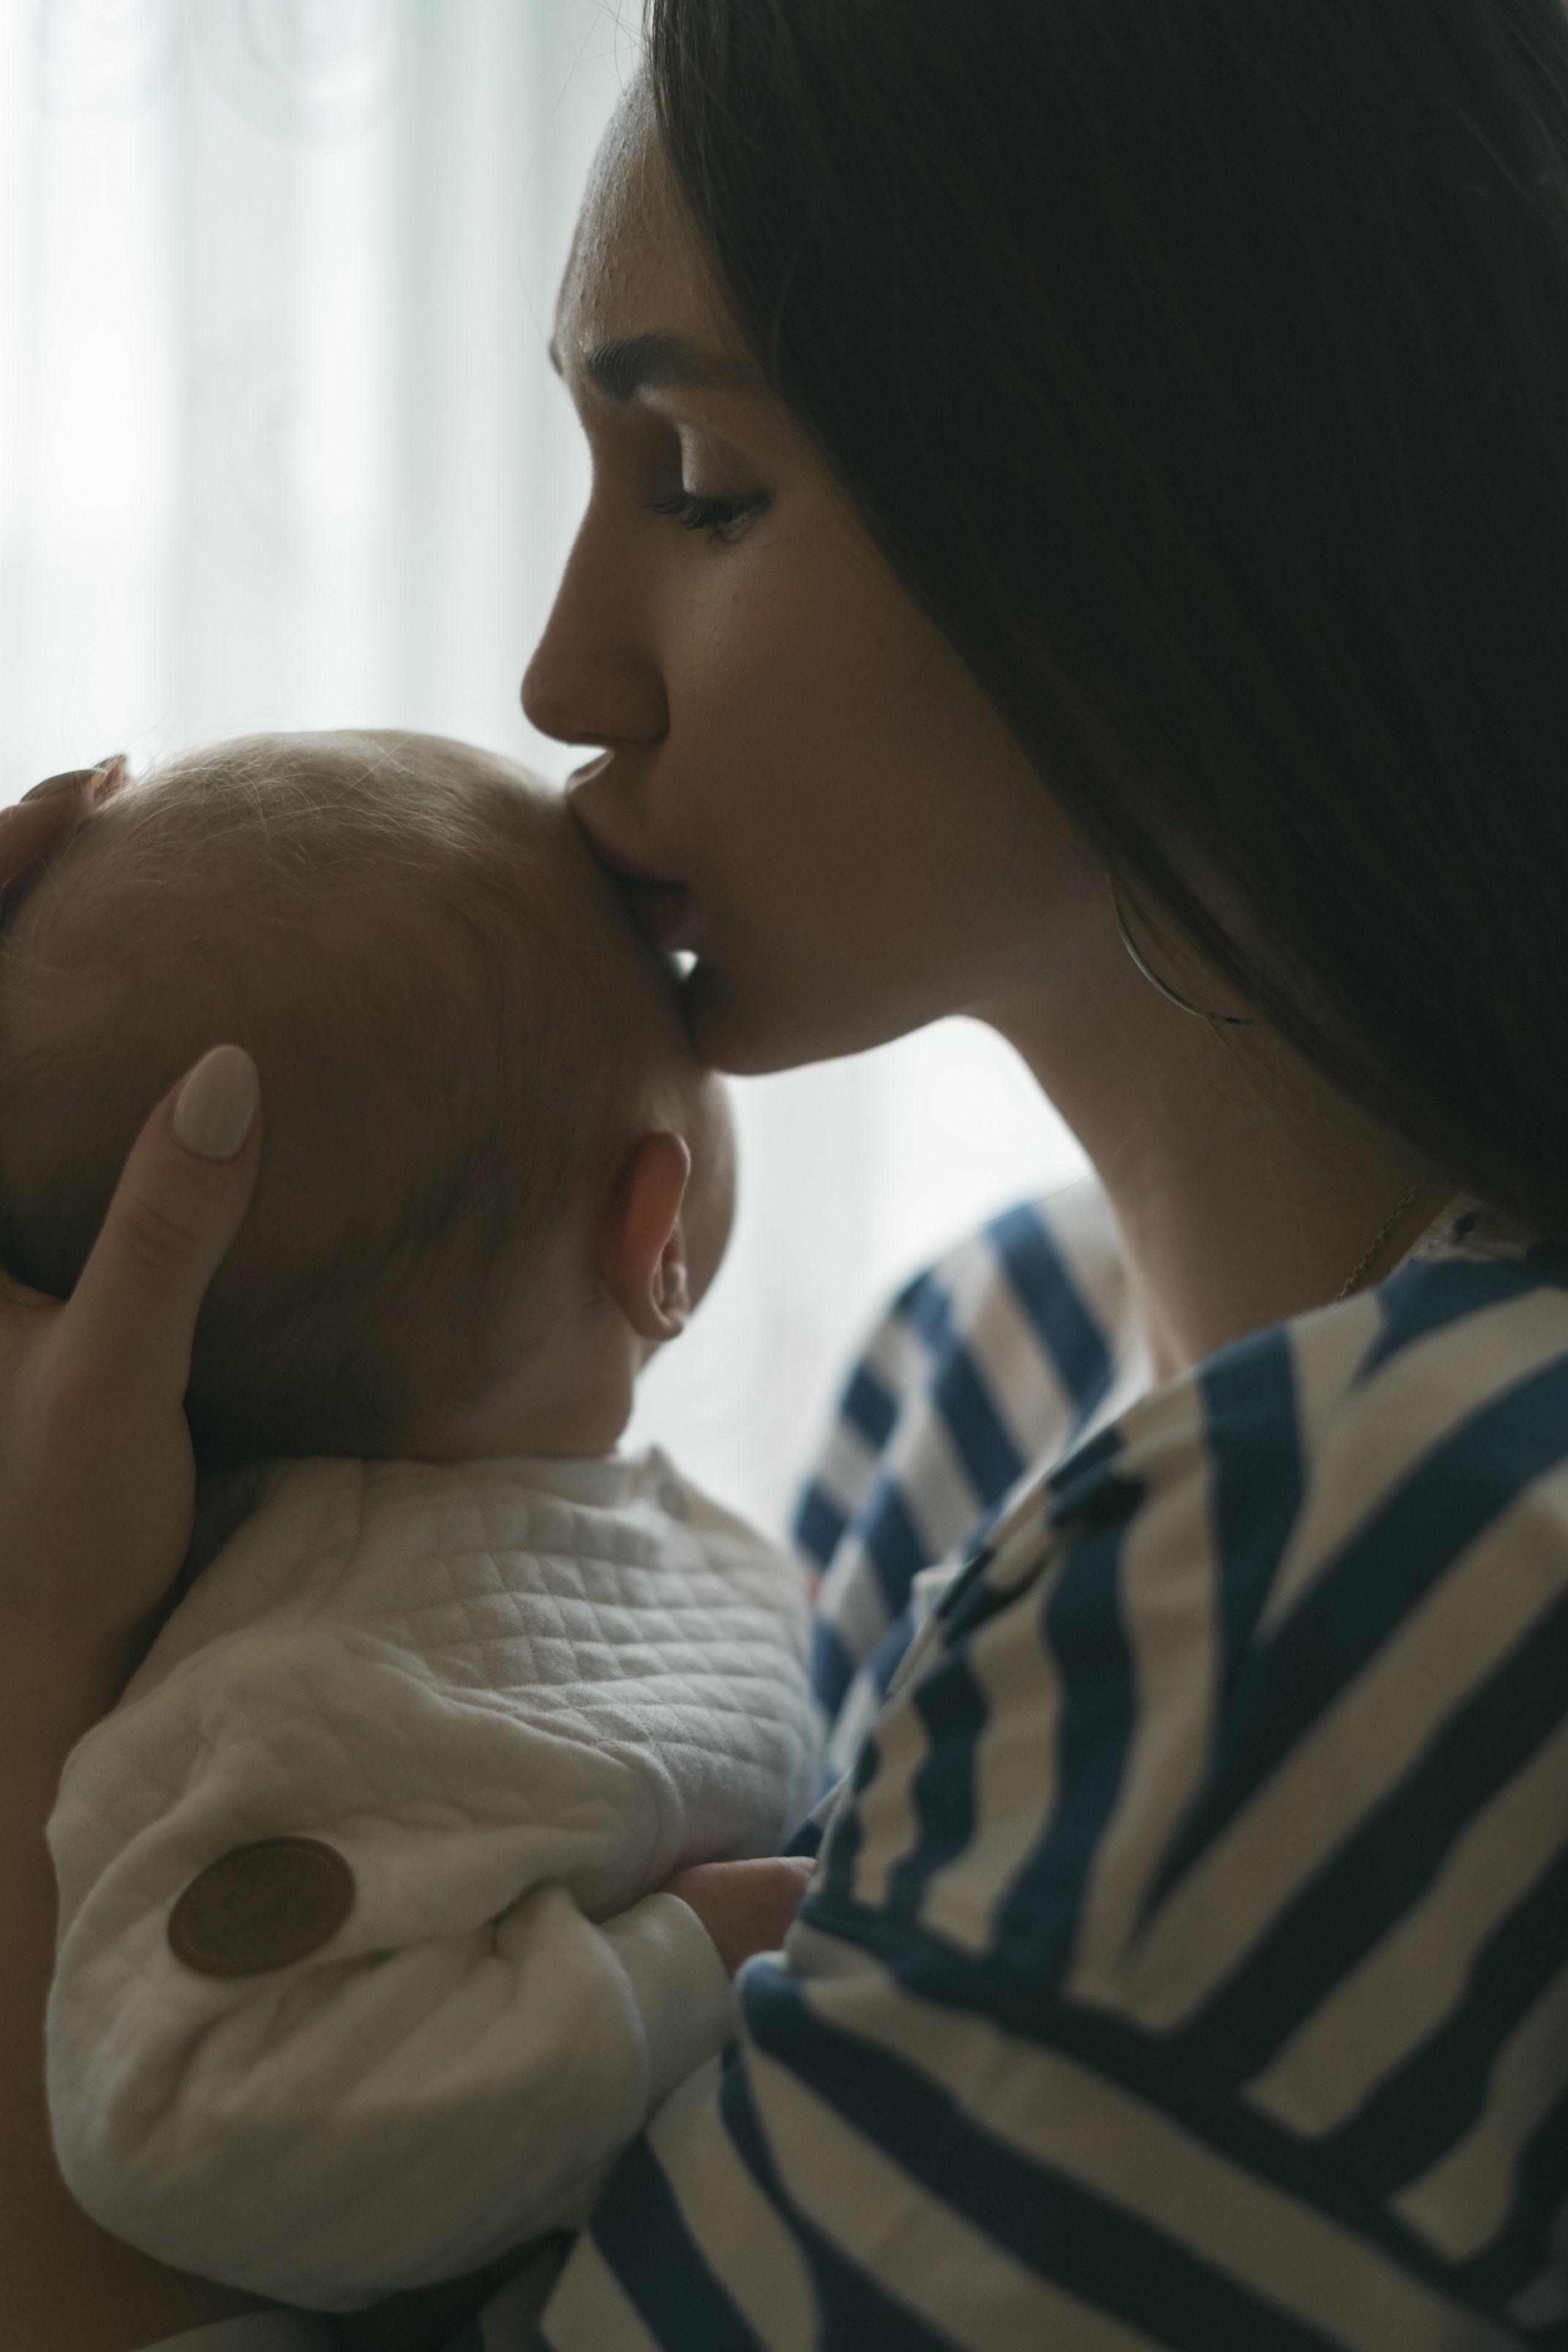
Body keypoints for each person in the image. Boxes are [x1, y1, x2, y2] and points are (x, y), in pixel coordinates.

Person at [5, 1, 1568, 2345]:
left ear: (1184, 495)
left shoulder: (1358, 1552)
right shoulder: (984, 1370)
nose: (558, 678)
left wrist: (31, 1659)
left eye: (707, 484)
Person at [10, 731, 818, 2312]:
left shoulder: (583, 1545)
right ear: (656, 1234)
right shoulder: (313, 1682)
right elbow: (194, 2114)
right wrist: (683, 1967)